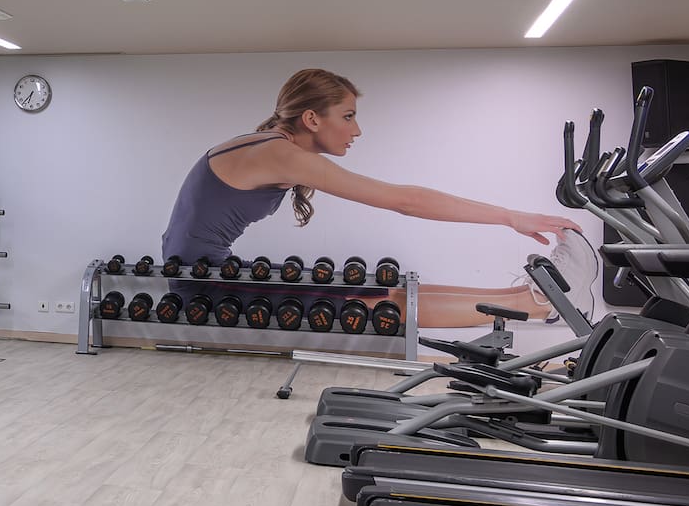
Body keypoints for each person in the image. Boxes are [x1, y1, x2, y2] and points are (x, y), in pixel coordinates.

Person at [160, 67, 593, 328]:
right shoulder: (280, 154)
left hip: (206, 268)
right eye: (348, 116)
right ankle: (537, 307)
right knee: (375, 304)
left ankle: (533, 296)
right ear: (311, 119)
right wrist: (511, 216)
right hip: (202, 282)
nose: (357, 129)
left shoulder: (267, 146)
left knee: (392, 287)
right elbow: (405, 200)